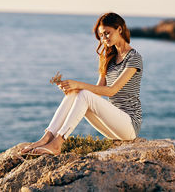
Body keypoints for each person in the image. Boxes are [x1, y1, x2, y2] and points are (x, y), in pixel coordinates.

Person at [20, 12, 143, 156]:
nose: (104, 38)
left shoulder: (134, 58)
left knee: (83, 92)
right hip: (112, 128)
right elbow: (98, 91)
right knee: (76, 93)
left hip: (129, 126)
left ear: (119, 29)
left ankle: (57, 143)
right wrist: (74, 89)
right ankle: (47, 137)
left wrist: (78, 84)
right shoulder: (107, 57)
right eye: (101, 35)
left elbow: (111, 91)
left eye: (107, 33)